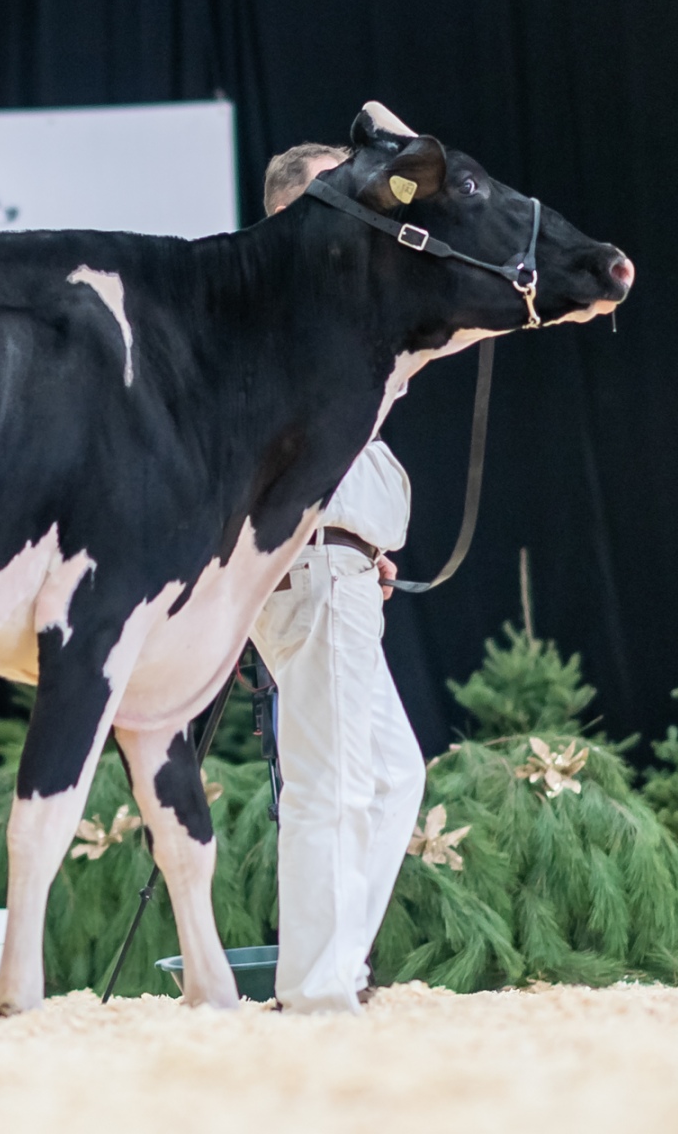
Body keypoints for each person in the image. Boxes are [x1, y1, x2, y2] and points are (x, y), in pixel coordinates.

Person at [249, 142, 427, 1015]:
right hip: (313, 563)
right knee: (337, 778)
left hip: (336, 561)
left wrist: (359, 542)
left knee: (391, 774)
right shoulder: (291, 303)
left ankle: (334, 968)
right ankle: (318, 991)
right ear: (298, 205)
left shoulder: (312, 308)